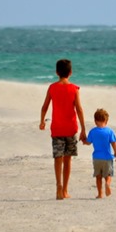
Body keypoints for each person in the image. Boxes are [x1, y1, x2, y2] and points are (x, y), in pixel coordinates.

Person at [40, 59, 86, 200]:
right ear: (70, 72)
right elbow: (78, 109)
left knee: (57, 158)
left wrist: (42, 121)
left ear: (56, 72)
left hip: (57, 129)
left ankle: (58, 186)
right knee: (68, 160)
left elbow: (45, 106)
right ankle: (65, 190)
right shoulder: (74, 89)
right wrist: (83, 129)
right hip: (71, 129)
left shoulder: (52, 87)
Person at [84, 108, 116, 199]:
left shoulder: (93, 131)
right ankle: (107, 183)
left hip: (96, 158)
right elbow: (113, 142)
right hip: (107, 158)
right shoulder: (109, 131)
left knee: (98, 176)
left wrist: (83, 141)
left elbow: (88, 142)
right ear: (106, 121)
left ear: (95, 121)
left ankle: (100, 194)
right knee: (108, 175)